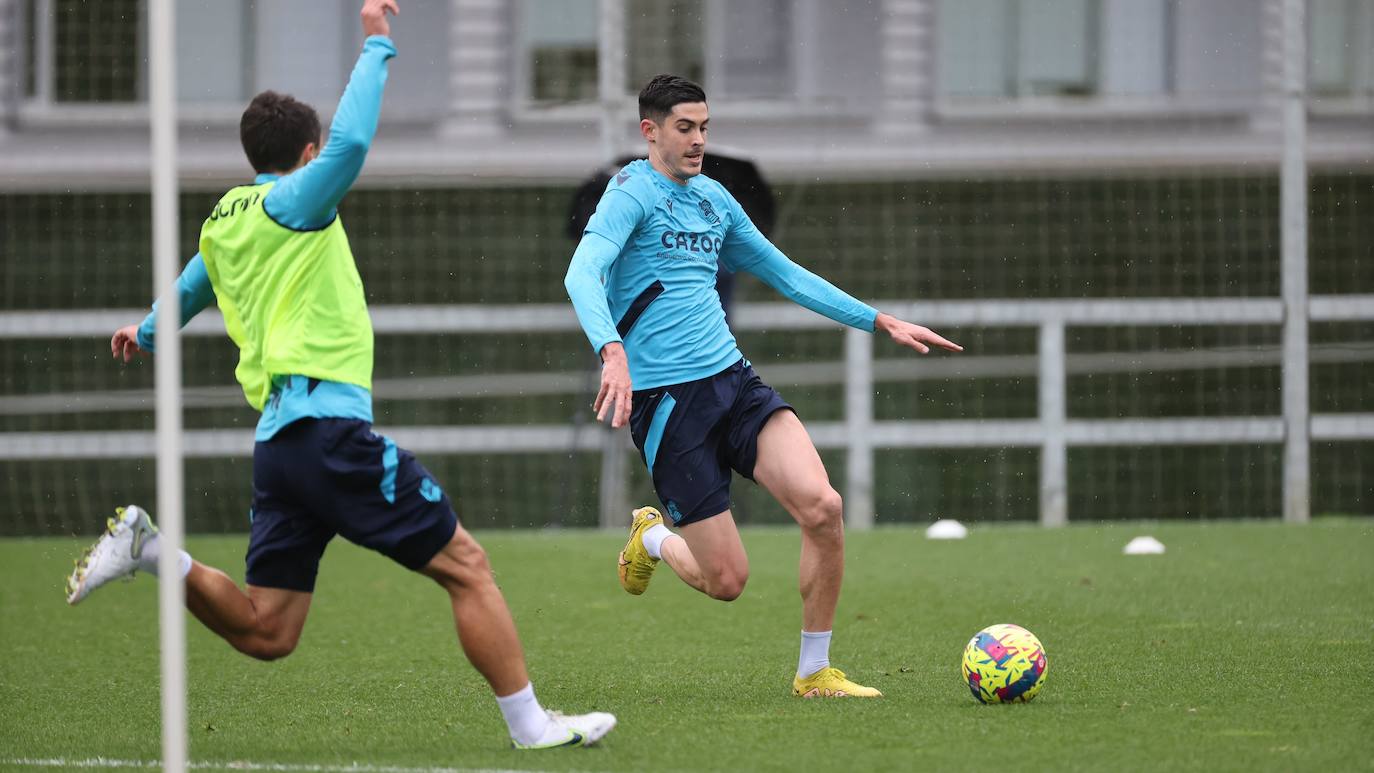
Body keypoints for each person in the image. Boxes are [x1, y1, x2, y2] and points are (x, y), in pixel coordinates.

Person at [65, 0, 615, 750]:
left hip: (281, 448)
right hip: (327, 432)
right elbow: (354, 142)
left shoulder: (228, 219)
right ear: (305, 153)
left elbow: (194, 282)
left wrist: (150, 328)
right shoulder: (298, 200)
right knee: (468, 566)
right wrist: (378, 43)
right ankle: (530, 725)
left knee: (269, 630)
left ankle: (151, 549)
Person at [563, 74, 962, 699]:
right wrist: (610, 349)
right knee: (727, 581)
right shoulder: (629, 194)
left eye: (705, 127)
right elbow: (582, 273)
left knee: (824, 508)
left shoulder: (715, 199)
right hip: (670, 405)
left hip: (734, 384)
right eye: (685, 128)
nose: (698, 141)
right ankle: (655, 537)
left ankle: (814, 672)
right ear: (651, 131)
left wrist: (878, 320)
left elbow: (786, 274)